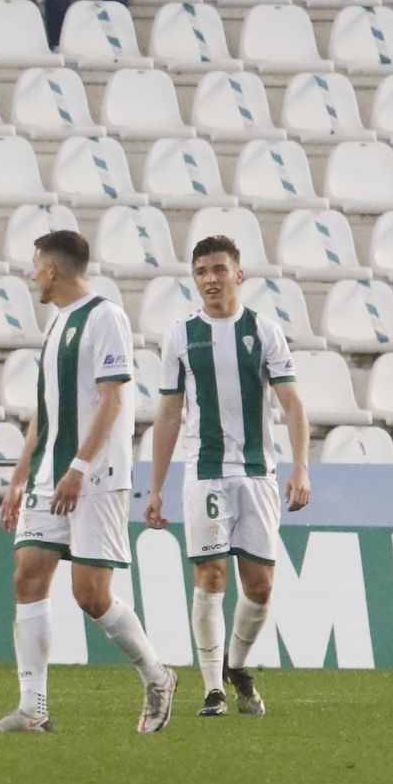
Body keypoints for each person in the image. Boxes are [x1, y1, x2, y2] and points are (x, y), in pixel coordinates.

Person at [0, 230, 176, 735]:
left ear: (53, 270)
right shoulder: (58, 322)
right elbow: (46, 412)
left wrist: (79, 469)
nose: (31, 274)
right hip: (51, 473)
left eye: (35, 264)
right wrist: (20, 476)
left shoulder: (105, 317)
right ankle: (32, 709)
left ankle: (157, 676)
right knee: (27, 574)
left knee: (90, 594)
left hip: (97, 476)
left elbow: (111, 399)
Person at [145, 236, 311, 716]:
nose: (210, 279)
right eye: (201, 271)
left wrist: (301, 465)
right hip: (205, 471)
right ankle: (212, 687)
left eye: (219, 269)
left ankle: (237, 667)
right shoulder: (180, 334)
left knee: (259, 586)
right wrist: (155, 489)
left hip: (257, 473)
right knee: (211, 573)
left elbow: (292, 402)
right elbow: (169, 414)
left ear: (238, 274)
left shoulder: (264, 331)